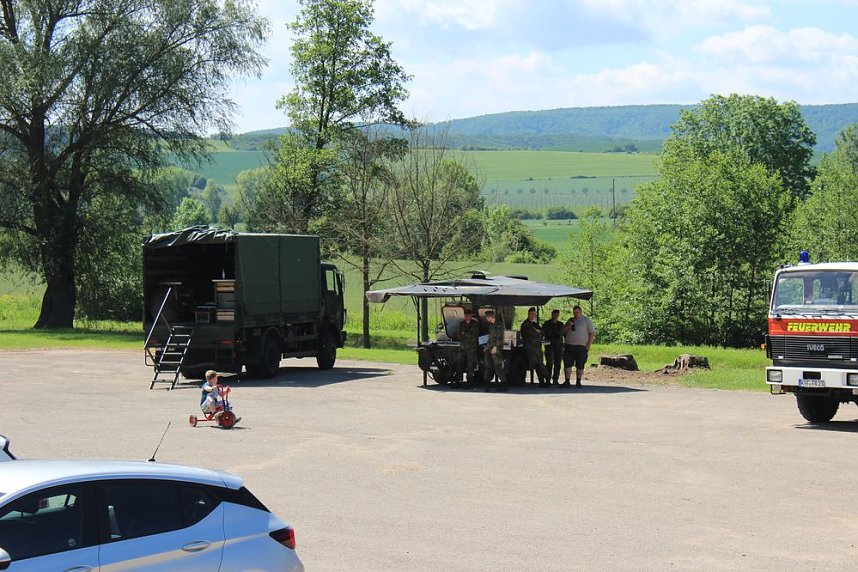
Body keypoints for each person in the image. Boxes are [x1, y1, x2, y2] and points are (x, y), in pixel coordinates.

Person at [561, 305, 596, 387]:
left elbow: (592, 333)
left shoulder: (586, 320)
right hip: (569, 346)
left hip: (581, 347)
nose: (575, 314)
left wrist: (588, 346)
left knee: (580, 364)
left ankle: (578, 381)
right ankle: (567, 381)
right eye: (574, 312)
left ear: (581, 312)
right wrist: (568, 326)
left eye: (577, 312)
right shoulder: (570, 320)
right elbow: (563, 331)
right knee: (567, 364)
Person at [520, 306, 550, 386]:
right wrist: (538, 332)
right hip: (530, 348)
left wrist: (539, 332)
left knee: (539, 364)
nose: (533, 315)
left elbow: (542, 332)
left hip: (537, 348)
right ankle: (544, 380)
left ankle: (545, 380)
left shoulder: (535, 324)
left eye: (534, 314)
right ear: (528, 314)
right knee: (537, 365)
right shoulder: (525, 324)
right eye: (532, 314)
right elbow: (531, 335)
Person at [483, 310, 507, 392]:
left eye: (487, 317)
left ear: (489, 317)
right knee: (488, 367)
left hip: (496, 349)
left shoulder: (499, 325)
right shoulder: (491, 326)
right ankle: (487, 385)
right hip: (489, 349)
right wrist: (487, 347)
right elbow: (490, 339)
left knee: (498, 367)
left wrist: (496, 346)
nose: (486, 319)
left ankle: (504, 384)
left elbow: (501, 338)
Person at [455, 307, 481, 383]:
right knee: (459, 363)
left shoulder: (474, 324)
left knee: (470, 365)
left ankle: (469, 381)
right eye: (466, 315)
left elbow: (475, 335)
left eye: (468, 315)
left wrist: (464, 333)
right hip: (462, 347)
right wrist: (468, 333)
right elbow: (459, 335)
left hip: (471, 348)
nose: (467, 316)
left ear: (471, 316)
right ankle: (459, 380)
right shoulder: (461, 324)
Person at [542, 309, 564, 384]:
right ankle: (548, 379)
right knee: (549, 363)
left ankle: (555, 379)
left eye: (557, 315)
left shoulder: (560, 324)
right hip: (549, 346)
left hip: (558, 346)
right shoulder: (547, 323)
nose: (555, 316)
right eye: (554, 315)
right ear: (552, 315)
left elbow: (561, 333)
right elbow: (543, 333)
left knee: (558, 364)